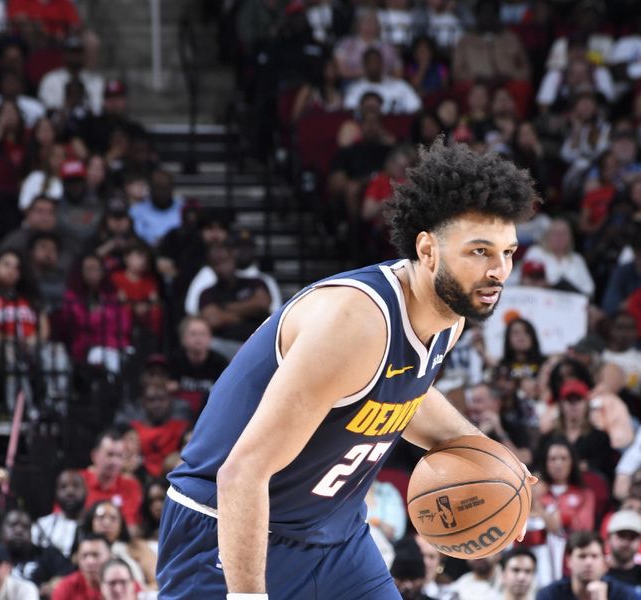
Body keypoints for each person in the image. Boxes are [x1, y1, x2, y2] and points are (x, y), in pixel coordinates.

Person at [157, 141, 538, 598]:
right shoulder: (356, 324)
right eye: (479, 251)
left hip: (336, 538)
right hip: (231, 528)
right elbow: (241, 475)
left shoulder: (448, 316)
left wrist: (486, 455)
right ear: (428, 250)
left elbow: (401, 394)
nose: (499, 270)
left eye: (508, 252)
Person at [535, 531, 639, 600]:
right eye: (582, 556)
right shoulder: (550, 595)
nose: (588, 562)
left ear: (604, 561)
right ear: (569, 561)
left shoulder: (626, 595)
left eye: (594, 556)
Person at [0, 508, 74, 596]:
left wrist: (55, 584)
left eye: (25, 526)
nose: (19, 530)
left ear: (31, 531)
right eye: (13, 525)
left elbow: (71, 575)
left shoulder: (47, 554)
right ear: (1, 529)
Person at [79, 429, 143, 527]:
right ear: (94, 456)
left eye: (119, 456)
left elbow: (130, 525)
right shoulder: (78, 481)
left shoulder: (131, 486)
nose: (114, 462)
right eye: (110, 454)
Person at [32, 469, 87, 558]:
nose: (70, 491)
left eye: (76, 486)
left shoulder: (96, 525)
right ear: (56, 493)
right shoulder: (42, 526)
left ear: (85, 491)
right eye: (63, 487)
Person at [52, 533, 112, 600]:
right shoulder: (66, 587)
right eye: (84, 556)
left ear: (110, 557)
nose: (90, 562)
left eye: (96, 555)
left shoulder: (121, 584)